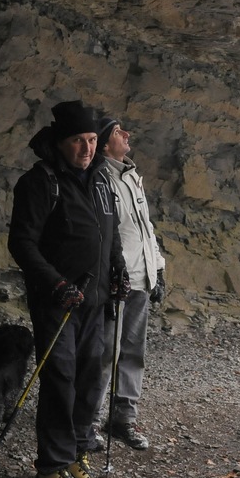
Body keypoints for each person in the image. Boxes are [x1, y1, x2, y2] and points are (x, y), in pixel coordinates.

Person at [7, 100, 129, 478]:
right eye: (78, 140)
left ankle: (76, 456)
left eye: (93, 140)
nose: (87, 148)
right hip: (58, 301)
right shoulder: (40, 182)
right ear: (60, 142)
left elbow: (107, 234)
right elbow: (22, 243)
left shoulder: (100, 181)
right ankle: (50, 468)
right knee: (60, 379)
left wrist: (118, 270)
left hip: (95, 299)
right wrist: (56, 284)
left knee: (90, 378)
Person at [93, 116, 166, 452]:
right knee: (106, 350)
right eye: (119, 132)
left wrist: (159, 268)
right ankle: (90, 420)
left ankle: (123, 418)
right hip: (116, 280)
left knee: (133, 352)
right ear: (106, 142)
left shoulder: (132, 176)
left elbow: (145, 228)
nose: (127, 135)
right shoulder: (100, 179)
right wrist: (112, 270)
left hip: (142, 277)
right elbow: (104, 233)